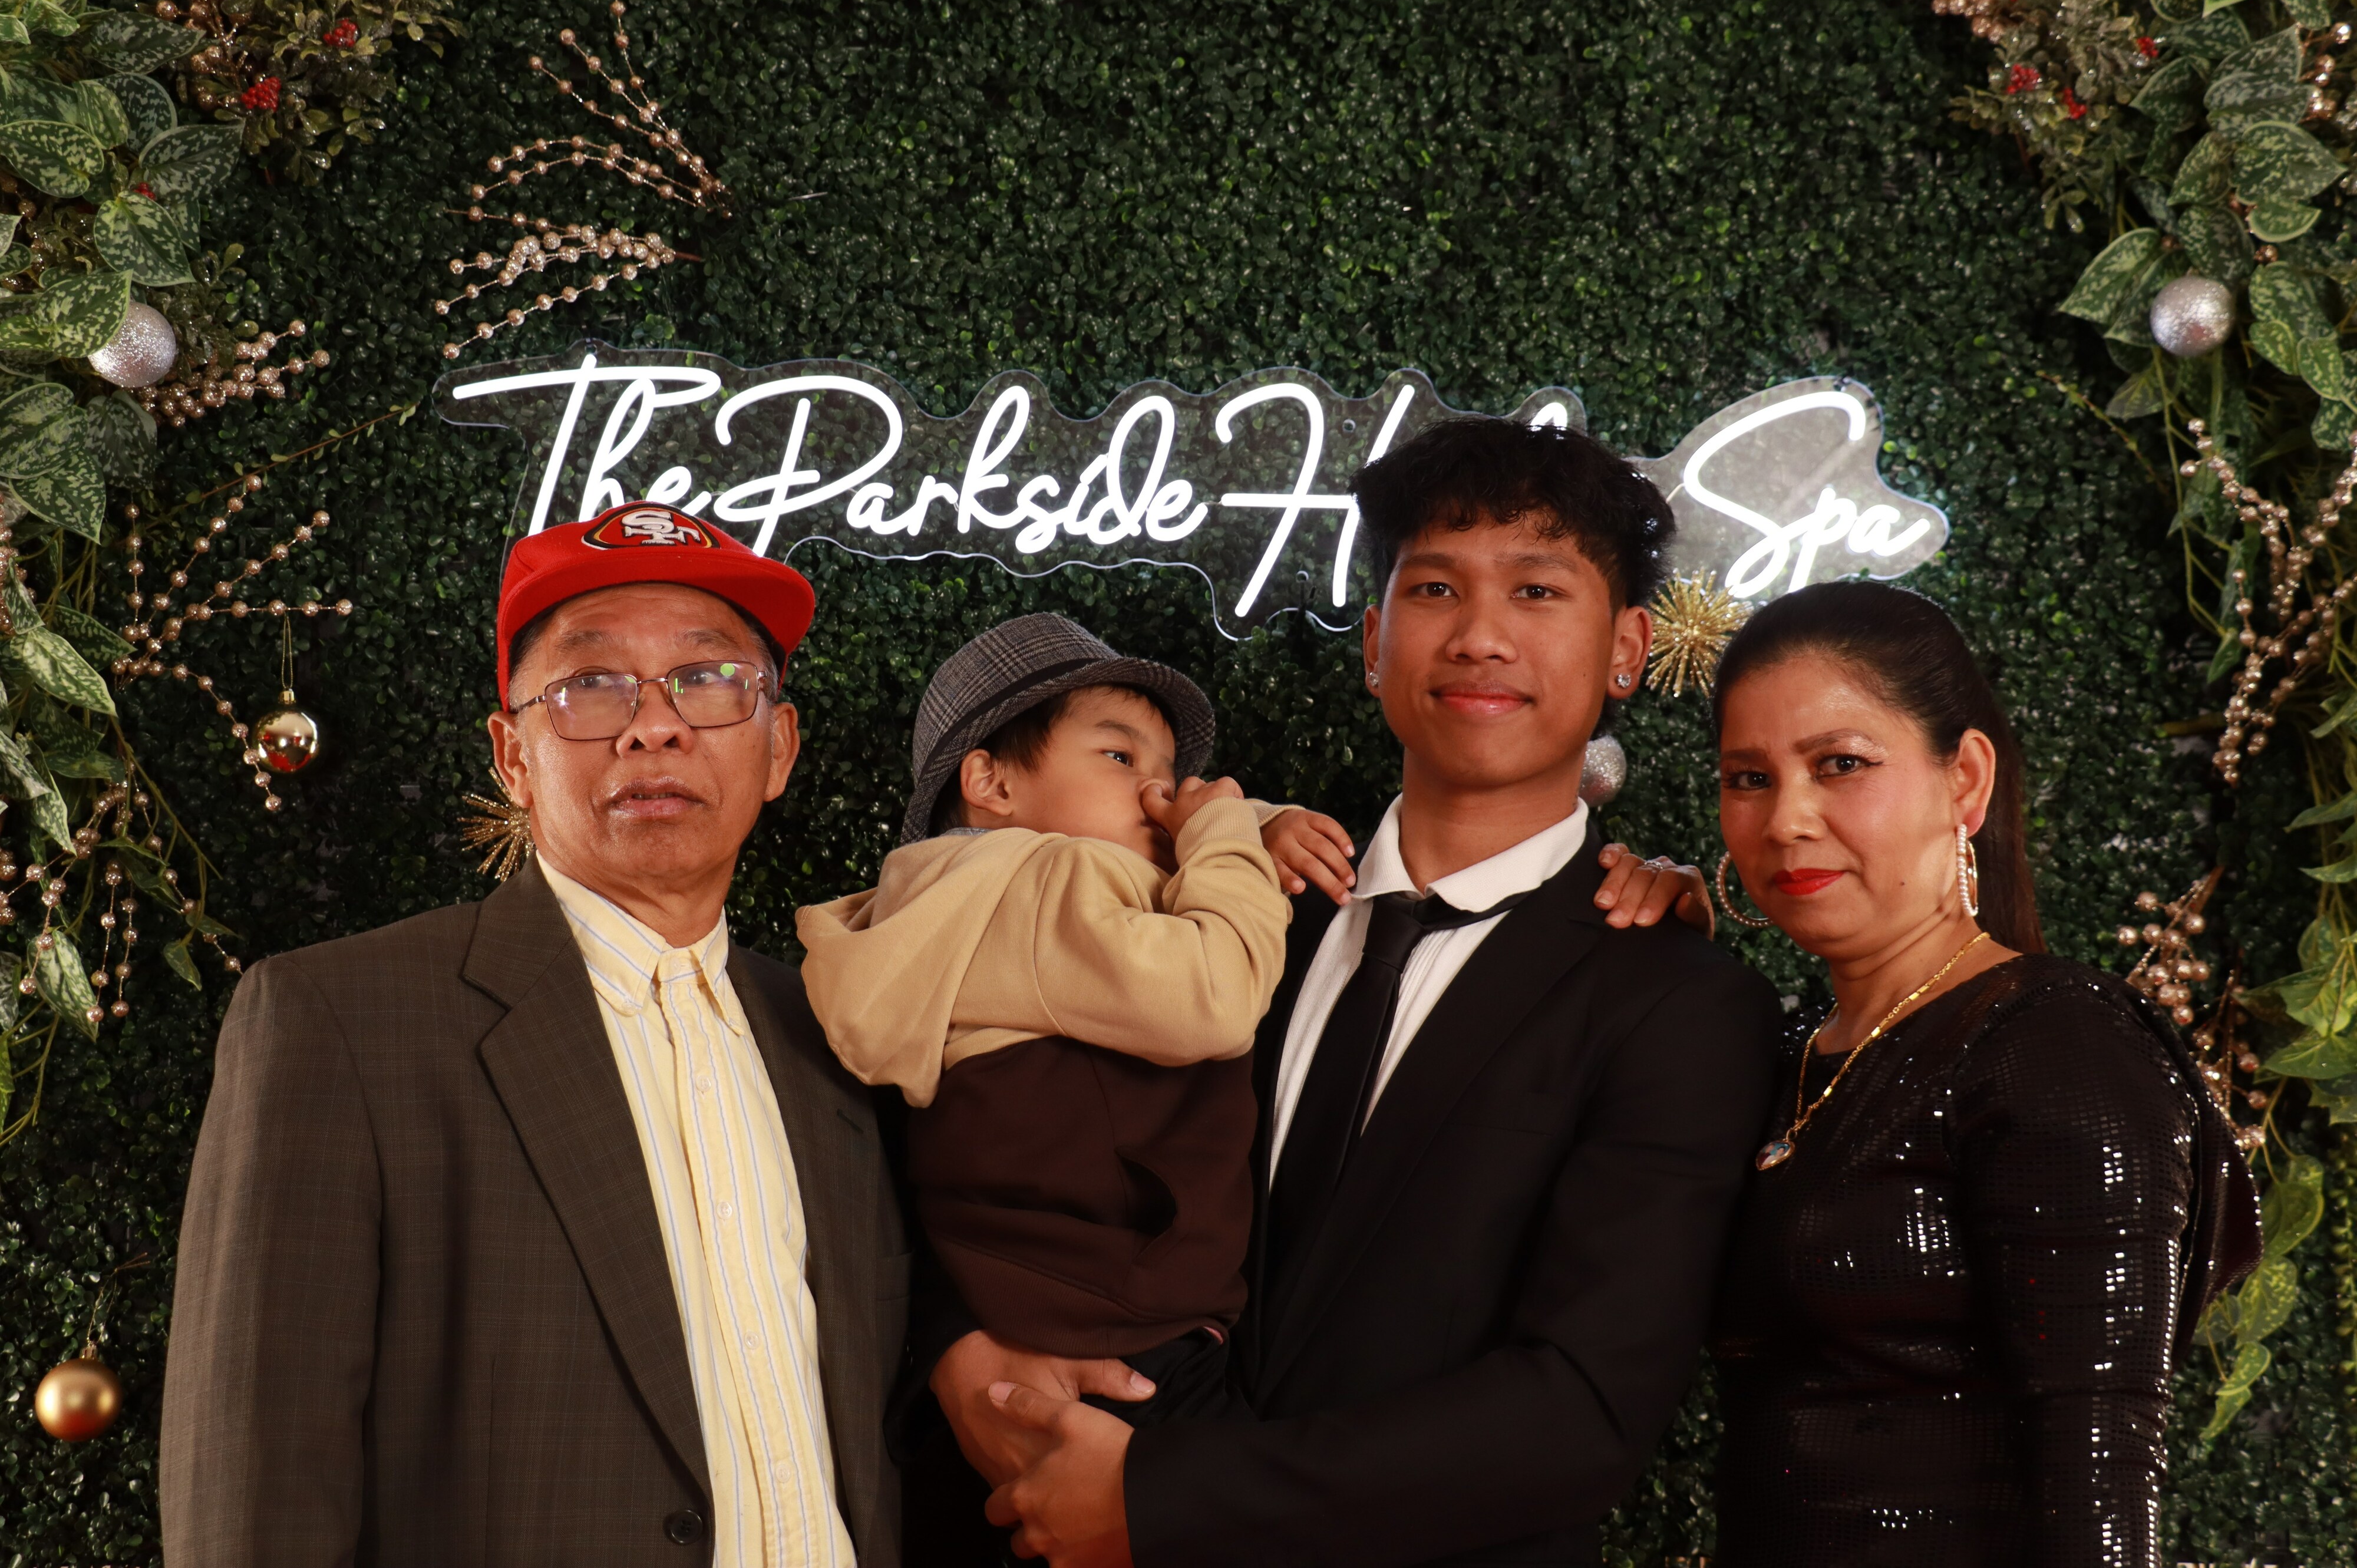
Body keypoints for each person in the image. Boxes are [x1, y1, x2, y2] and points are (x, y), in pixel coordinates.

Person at [945, 416, 1782, 1567]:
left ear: (1627, 649)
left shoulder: (1680, 1004)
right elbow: (981, 1132)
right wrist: (955, 1345)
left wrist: (1163, 1499)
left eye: (1537, 592)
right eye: (1435, 589)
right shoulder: (1217, 912)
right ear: (1376, 641)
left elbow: (1580, 1411)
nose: (1479, 636)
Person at [161, 503, 907, 1568]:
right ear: (513, 757)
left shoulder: (835, 1033)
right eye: (592, 686)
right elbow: (254, 1493)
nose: (654, 727)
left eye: (707, 679)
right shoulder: (340, 1023)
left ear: (778, 746)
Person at [1704, 579, 2262, 1568]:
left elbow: (2099, 1467)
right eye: (1749, 778)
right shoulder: (1789, 1059)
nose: (1786, 819)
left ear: (1964, 781)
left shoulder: (2055, 1043)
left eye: (1841, 764)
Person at [797, 612, 1352, 1424]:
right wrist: (1229, 832)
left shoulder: (971, 897)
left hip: (1038, 1301)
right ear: (992, 785)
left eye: (1171, 774)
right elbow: (1215, 997)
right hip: (1125, 1320)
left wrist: (1252, 824)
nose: (1161, 796)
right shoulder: (1051, 878)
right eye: (1120, 759)